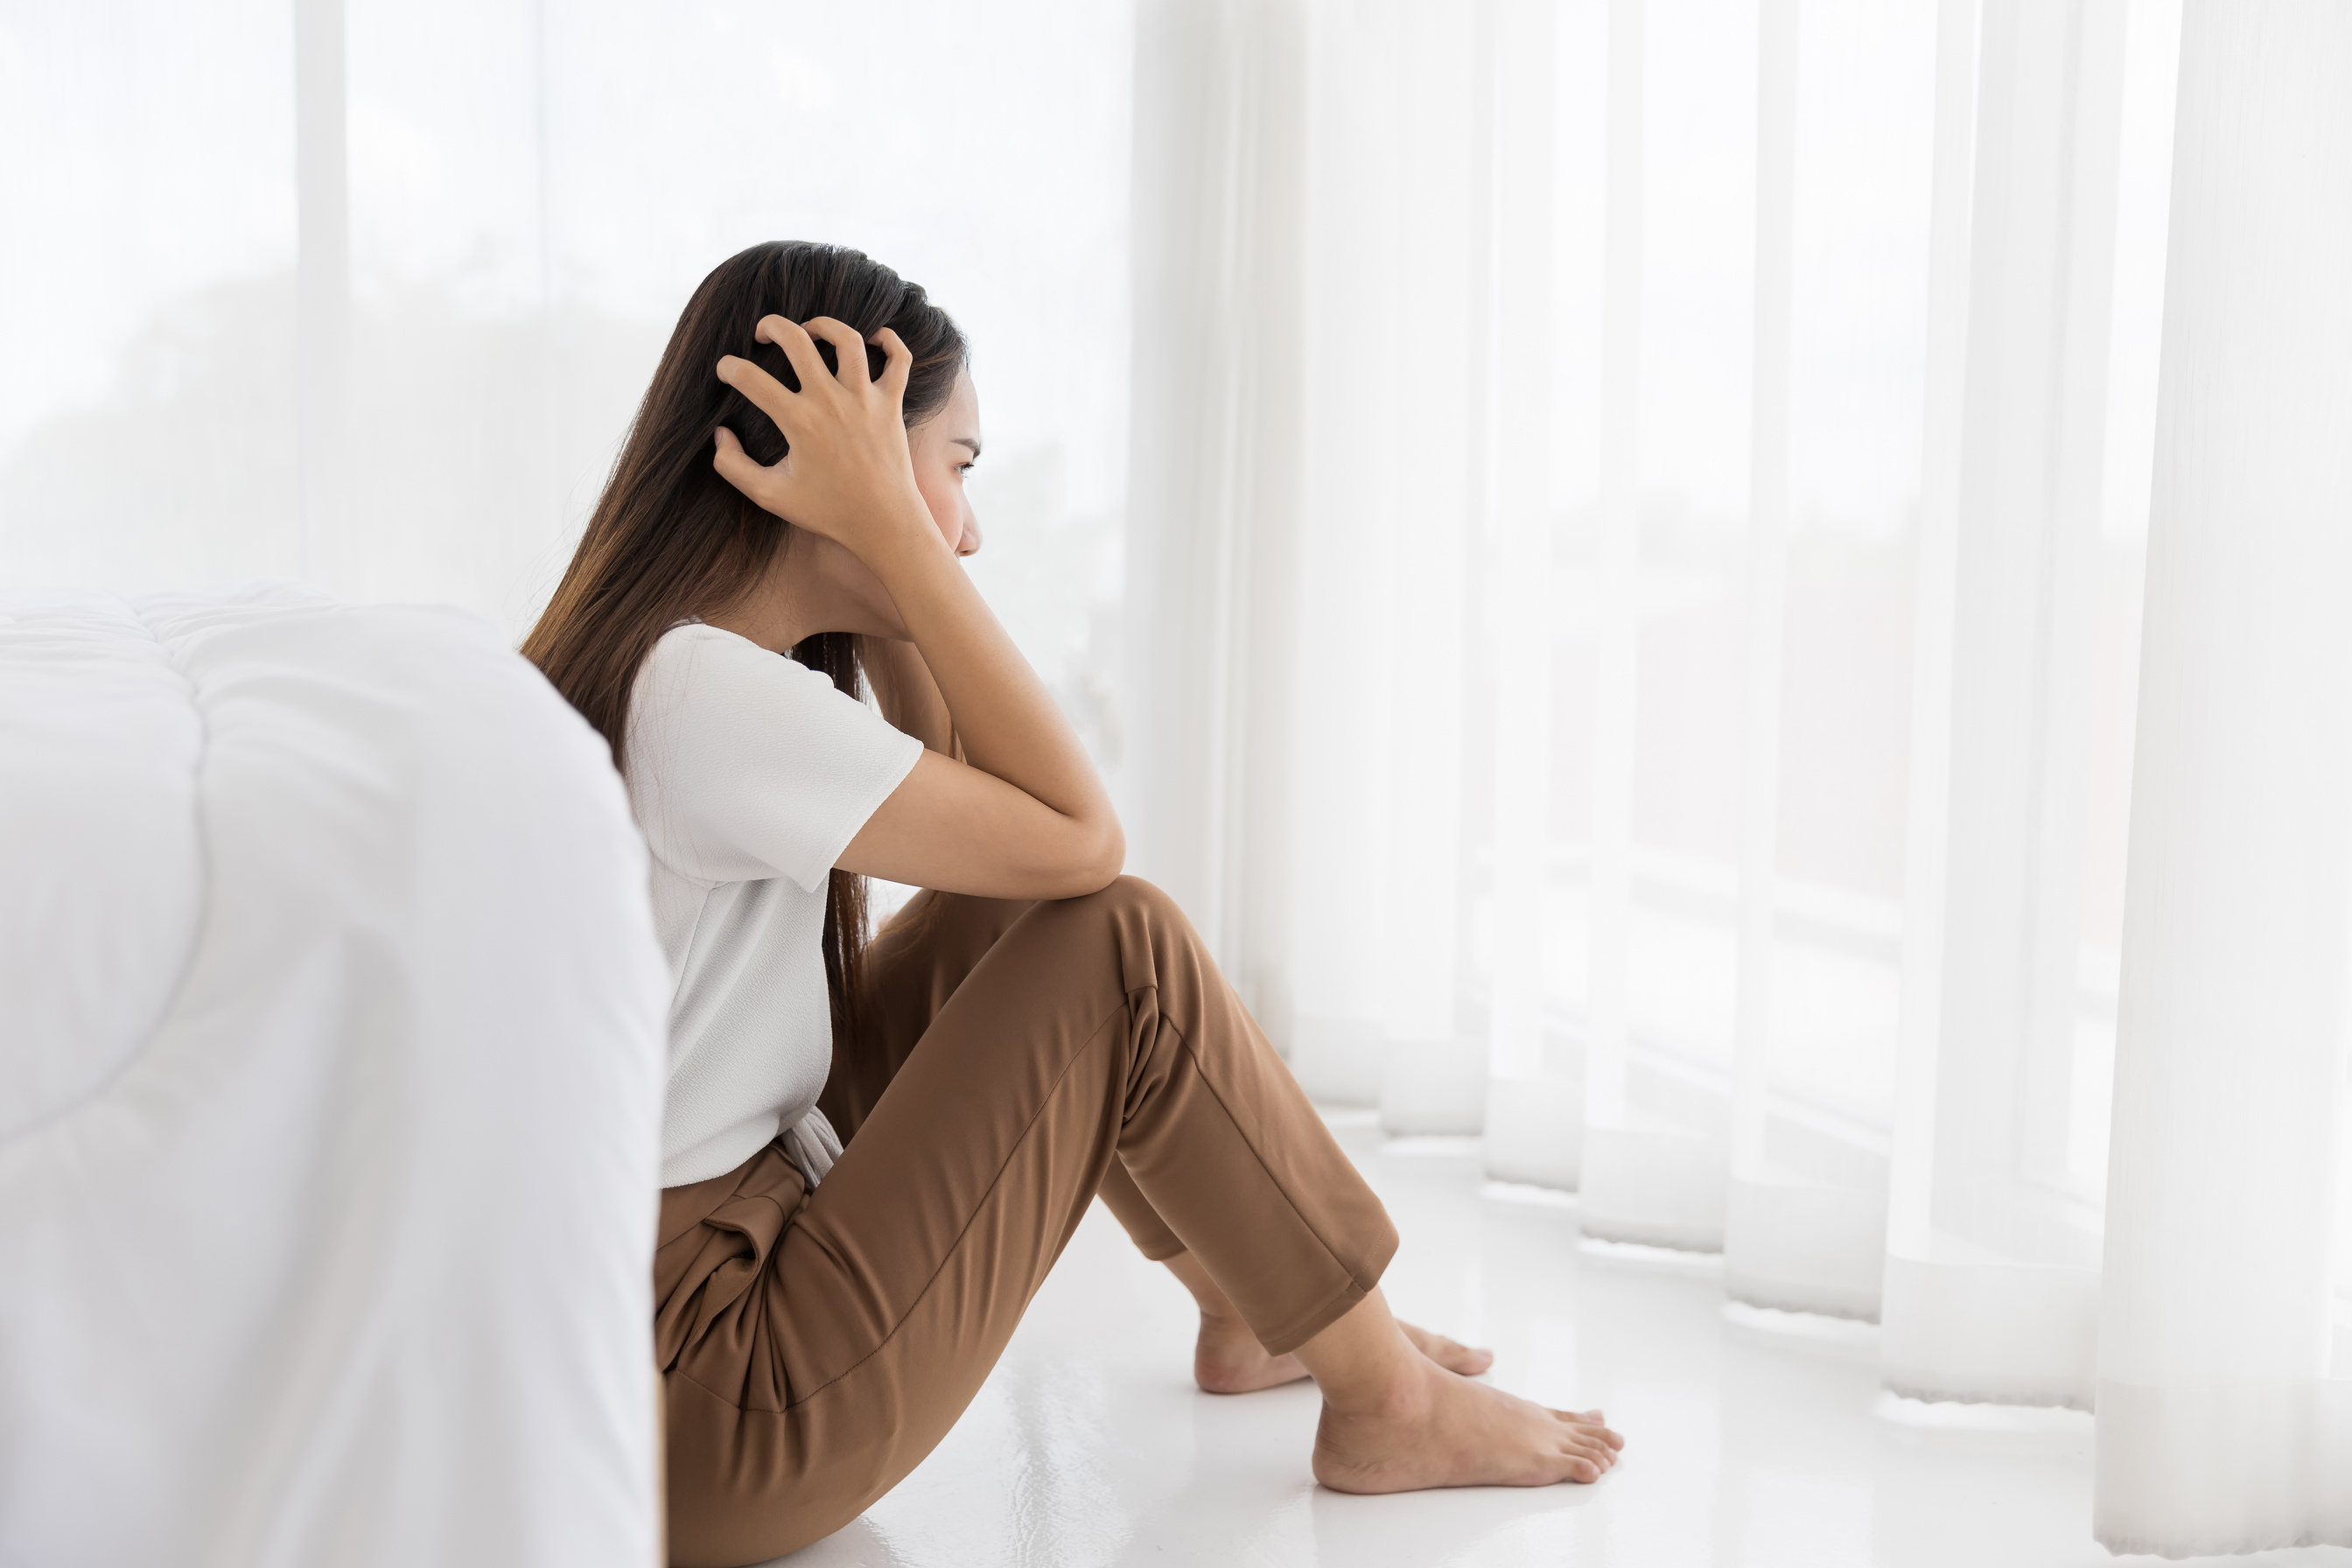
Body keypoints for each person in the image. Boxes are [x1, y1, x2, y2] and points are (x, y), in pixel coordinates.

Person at [524, 241, 1622, 1567]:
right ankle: (1383, 1402)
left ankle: (1246, 1304)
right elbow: (1082, 843)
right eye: (957, 469)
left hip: (662, 1333)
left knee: (1023, 929)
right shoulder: (705, 699)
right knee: (1123, 947)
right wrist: (887, 528)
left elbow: (1000, 855)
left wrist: (878, 547)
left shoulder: (684, 665)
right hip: (712, 1395)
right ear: (845, 471)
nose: (968, 529)